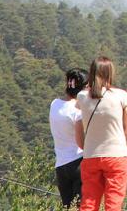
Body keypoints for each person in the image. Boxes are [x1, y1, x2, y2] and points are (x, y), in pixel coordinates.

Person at [74, 56, 127, 211]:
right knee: (113, 203)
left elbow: (78, 122)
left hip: (91, 154)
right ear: (110, 73)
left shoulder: (82, 97)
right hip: (116, 155)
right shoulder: (121, 95)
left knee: (89, 202)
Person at [50, 68, 87, 208]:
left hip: (61, 165)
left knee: (67, 206)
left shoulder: (54, 104)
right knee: (82, 206)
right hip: (78, 162)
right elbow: (82, 142)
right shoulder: (78, 110)